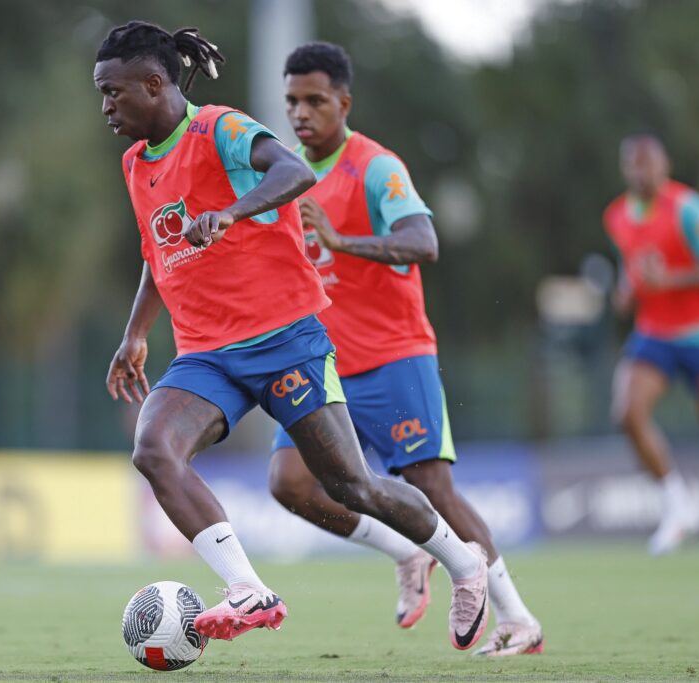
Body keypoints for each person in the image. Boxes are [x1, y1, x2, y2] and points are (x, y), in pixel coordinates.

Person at [95, 21, 489, 648]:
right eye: (102, 94)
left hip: (285, 340)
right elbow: (156, 250)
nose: (107, 106)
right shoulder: (134, 164)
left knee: (351, 486)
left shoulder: (219, 128)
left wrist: (229, 212)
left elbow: (292, 172)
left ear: (152, 83)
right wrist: (135, 333)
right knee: (153, 450)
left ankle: (466, 565)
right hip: (207, 353)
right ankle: (249, 591)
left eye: (114, 92)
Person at [267, 42, 543, 656]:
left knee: (434, 490)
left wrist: (340, 241)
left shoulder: (376, 167)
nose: (301, 113)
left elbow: (423, 242)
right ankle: (405, 550)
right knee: (289, 484)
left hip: (394, 357)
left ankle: (520, 619)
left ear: (344, 101)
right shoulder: (283, 172)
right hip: (323, 366)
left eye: (315, 100)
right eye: (291, 101)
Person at [605, 134, 699, 559]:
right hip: (655, 333)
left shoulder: (687, 208)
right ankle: (679, 505)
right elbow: (635, 267)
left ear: (663, 166)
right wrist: (627, 290)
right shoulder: (617, 216)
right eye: (634, 164)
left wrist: (671, 280)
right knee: (627, 413)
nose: (641, 172)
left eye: (648, 163)